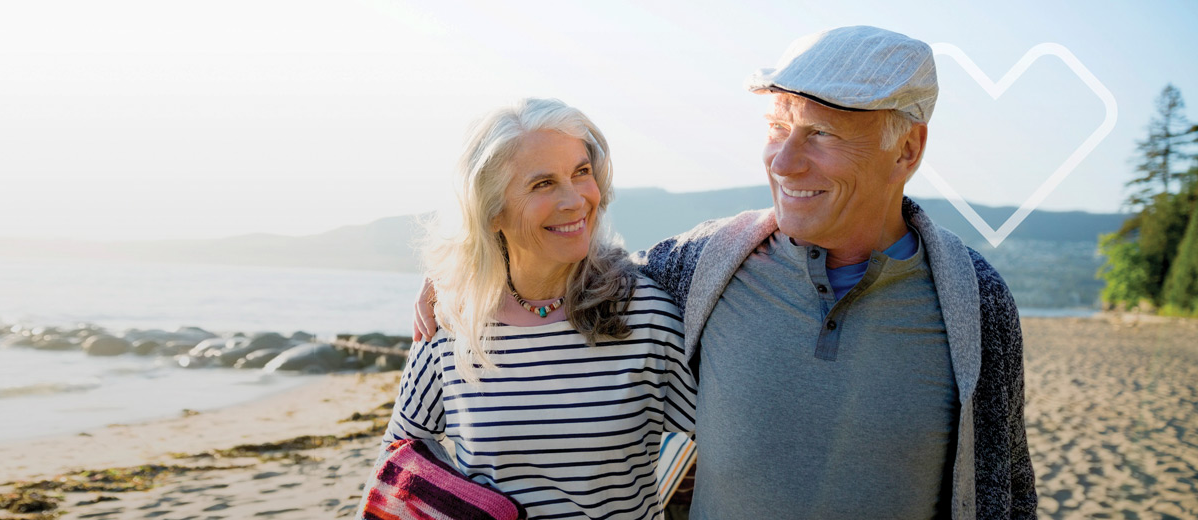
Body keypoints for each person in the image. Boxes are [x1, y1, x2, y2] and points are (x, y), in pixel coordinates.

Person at [414, 26, 1036, 519]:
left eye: (819, 134)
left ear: (907, 149)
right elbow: (571, 271)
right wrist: (465, 275)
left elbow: (1005, 486)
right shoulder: (703, 266)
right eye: (777, 129)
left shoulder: (975, 303)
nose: (783, 161)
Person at [367, 98, 696, 519]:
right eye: (543, 184)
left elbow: (731, 448)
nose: (576, 200)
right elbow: (397, 462)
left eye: (581, 172)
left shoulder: (643, 313)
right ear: (491, 213)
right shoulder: (451, 319)